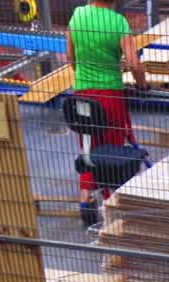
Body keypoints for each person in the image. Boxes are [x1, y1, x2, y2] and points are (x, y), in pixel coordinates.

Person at [67, 0, 147, 226]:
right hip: (110, 96)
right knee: (112, 150)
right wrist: (142, 84)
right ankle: (112, 207)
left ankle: (85, 202)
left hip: (82, 95)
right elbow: (133, 63)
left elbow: (71, 59)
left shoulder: (78, 15)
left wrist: (85, 75)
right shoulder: (118, 23)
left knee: (88, 149)